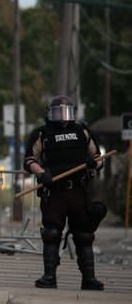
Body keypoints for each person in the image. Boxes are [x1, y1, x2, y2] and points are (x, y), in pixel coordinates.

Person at [24, 95, 105, 291]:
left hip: (78, 191)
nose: (62, 116)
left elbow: (98, 157)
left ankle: (89, 279)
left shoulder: (82, 131)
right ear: (50, 113)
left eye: (65, 111)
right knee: (51, 233)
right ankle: (49, 277)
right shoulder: (42, 134)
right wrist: (42, 174)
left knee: (84, 235)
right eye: (57, 112)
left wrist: (94, 163)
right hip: (54, 192)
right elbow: (29, 160)